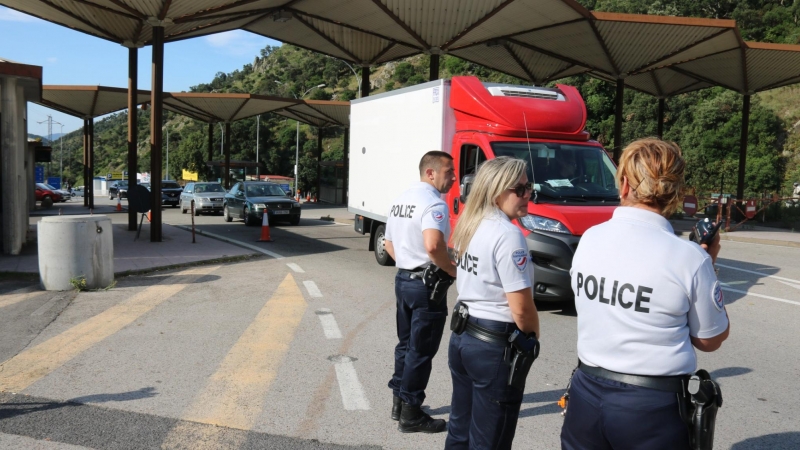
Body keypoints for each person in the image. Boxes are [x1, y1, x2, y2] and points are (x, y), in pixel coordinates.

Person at [560, 138, 730, 450]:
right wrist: (708, 265)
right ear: (675, 195)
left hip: (586, 394)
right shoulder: (689, 257)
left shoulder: (590, 239)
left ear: (624, 184)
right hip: (651, 408)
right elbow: (710, 339)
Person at [445, 156, 540, 450]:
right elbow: (521, 307)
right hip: (493, 346)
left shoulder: (470, 223)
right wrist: (533, 339)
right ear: (496, 190)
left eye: (530, 188)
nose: (527, 196)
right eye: (520, 189)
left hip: (463, 337)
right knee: (491, 440)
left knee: (460, 430)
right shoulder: (508, 235)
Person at [384, 150, 457, 433]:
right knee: (421, 351)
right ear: (431, 173)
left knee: (405, 345)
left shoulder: (401, 200)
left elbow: (388, 245)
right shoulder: (433, 204)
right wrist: (451, 270)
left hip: (403, 279)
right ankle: (411, 413)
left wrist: (407, 262)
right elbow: (432, 246)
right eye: (448, 171)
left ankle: (398, 402)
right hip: (426, 286)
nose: (453, 177)